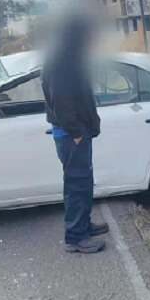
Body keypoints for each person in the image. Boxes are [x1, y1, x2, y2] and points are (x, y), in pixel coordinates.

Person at [42, 14, 108, 254]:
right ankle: (75, 237)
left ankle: (83, 225)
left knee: (84, 182)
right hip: (71, 135)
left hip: (76, 133)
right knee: (76, 185)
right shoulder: (62, 60)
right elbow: (61, 102)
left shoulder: (68, 56)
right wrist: (77, 132)